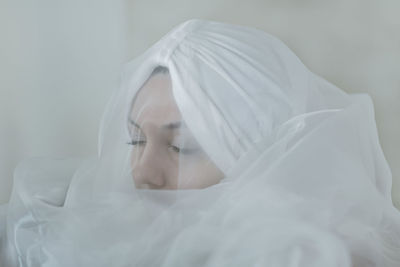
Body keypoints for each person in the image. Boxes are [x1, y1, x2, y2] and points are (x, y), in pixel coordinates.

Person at [1, 19, 400, 267]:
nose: (143, 173)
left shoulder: (317, 254)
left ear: (261, 154)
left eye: (181, 147)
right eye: (136, 140)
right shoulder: (84, 233)